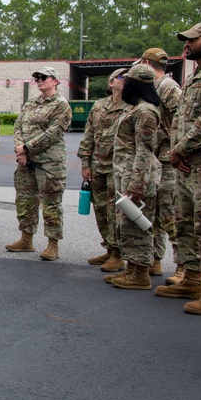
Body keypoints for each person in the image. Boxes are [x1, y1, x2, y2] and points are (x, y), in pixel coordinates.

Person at [156, 22, 201, 312]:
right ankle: (194, 279)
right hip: (186, 166)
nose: (186, 45)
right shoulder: (198, 76)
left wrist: (178, 150)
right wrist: (178, 153)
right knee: (186, 224)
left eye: (192, 39)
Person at [105, 63, 163, 290]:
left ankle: (140, 274)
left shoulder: (145, 111)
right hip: (126, 174)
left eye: (127, 80)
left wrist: (138, 185)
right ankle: (132, 269)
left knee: (138, 224)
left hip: (137, 177)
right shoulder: (134, 108)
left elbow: (145, 151)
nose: (124, 84)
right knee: (127, 224)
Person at [6, 66, 72, 260]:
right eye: (37, 78)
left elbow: (53, 133)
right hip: (26, 161)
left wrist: (26, 147)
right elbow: (18, 127)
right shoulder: (30, 104)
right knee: (25, 201)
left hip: (49, 163)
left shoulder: (61, 105)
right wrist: (20, 149)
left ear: (56, 81)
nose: (40, 80)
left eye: (44, 77)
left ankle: (52, 244)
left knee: (51, 204)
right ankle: (26, 239)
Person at [77, 69, 128, 272]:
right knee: (100, 209)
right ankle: (108, 247)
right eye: (121, 77)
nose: (124, 80)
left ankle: (118, 254)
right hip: (98, 166)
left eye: (128, 78)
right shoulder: (99, 106)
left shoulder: (132, 107)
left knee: (115, 211)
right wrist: (85, 164)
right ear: (111, 82)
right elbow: (89, 136)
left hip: (119, 167)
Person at [139, 48, 183, 278]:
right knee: (153, 213)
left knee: (170, 213)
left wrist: (178, 150)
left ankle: (184, 268)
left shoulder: (167, 87)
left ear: (147, 62)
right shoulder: (154, 87)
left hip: (168, 160)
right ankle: (155, 259)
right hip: (155, 158)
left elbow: (182, 119)